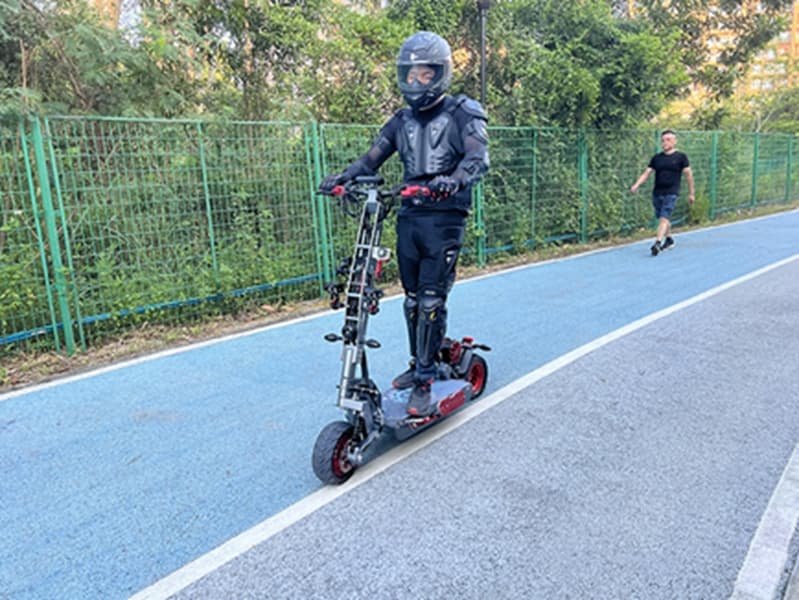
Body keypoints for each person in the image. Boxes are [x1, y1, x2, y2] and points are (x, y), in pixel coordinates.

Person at [319, 31, 489, 417]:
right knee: (411, 300)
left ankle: (426, 379)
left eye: (425, 74)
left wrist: (453, 180)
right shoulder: (401, 121)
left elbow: (477, 158)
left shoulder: (463, 112)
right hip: (410, 214)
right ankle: (419, 364)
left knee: (431, 299)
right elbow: (371, 159)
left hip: (444, 217)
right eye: (411, 74)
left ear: (441, 74)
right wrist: (343, 178)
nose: (416, 81)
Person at [630, 129, 695, 256]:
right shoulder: (657, 158)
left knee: (664, 217)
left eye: (668, 140)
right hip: (657, 192)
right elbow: (647, 173)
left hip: (672, 192)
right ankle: (669, 239)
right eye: (663, 140)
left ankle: (657, 243)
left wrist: (691, 193)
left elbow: (689, 176)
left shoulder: (681, 157)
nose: (665, 142)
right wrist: (636, 185)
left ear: (675, 141)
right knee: (662, 217)